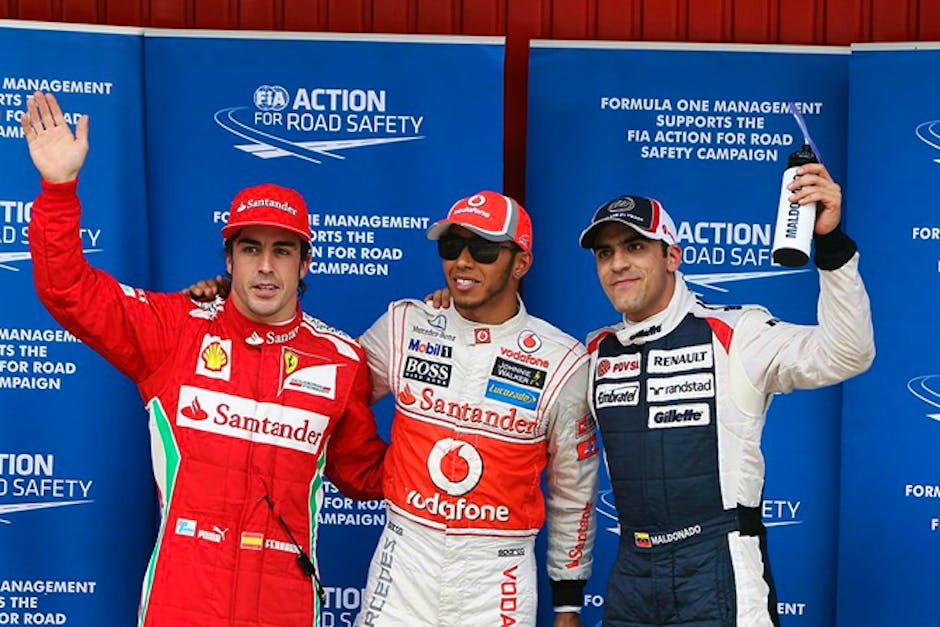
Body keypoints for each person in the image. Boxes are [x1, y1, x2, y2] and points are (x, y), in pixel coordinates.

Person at [22, 91, 387, 627]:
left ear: (306, 262)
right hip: (182, 604)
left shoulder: (339, 360)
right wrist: (59, 189)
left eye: (283, 251)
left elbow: (365, 474)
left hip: (284, 607)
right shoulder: (174, 330)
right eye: (250, 249)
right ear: (229, 259)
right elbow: (69, 291)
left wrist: (456, 430)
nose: (266, 267)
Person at [579, 170, 874, 627]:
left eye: (634, 247)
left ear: (672, 255)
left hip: (719, 566)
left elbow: (848, 353)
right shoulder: (597, 351)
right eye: (605, 252)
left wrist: (831, 246)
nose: (617, 263)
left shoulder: (738, 333)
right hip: (632, 572)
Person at [356, 191, 598, 627]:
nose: (463, 262)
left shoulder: (562, 361)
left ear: (521, 263)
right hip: (405, 564)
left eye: (483, 250)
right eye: (452, 247)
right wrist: (233, 307)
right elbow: (329, 393)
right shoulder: (407, 324)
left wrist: (567, 604)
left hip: (497, 578)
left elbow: (573, 492)